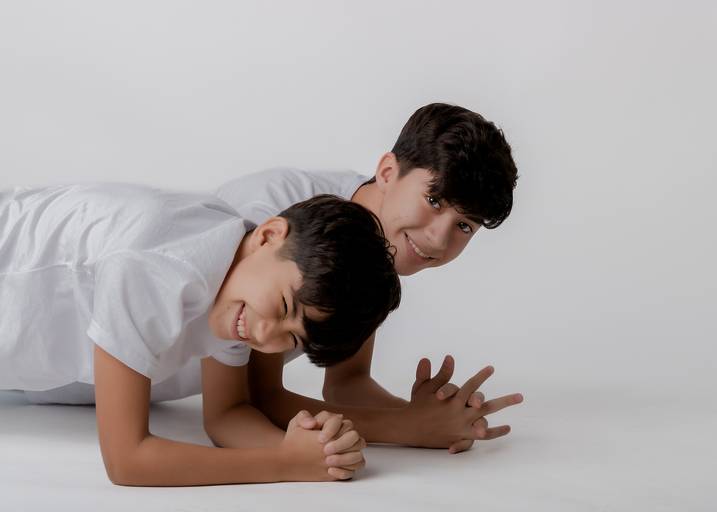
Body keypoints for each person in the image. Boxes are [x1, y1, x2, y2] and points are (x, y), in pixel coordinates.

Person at [0, 187, 401, 485]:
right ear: (269, 234)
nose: (265, 336)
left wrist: (313, 450)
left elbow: (228, 415)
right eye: (283, 306)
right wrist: (285, 464)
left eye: (293, 340)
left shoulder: (238, 279)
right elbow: (127, 461)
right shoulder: (157, 267)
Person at [215, 103, 525, 454]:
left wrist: (434, 418)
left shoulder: (376, 242)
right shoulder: (288, 220)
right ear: (388, 172)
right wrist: (410, 427)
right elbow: (259, 399)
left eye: (464, 226)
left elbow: (347, 383)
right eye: (433, 200)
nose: (438, 239)